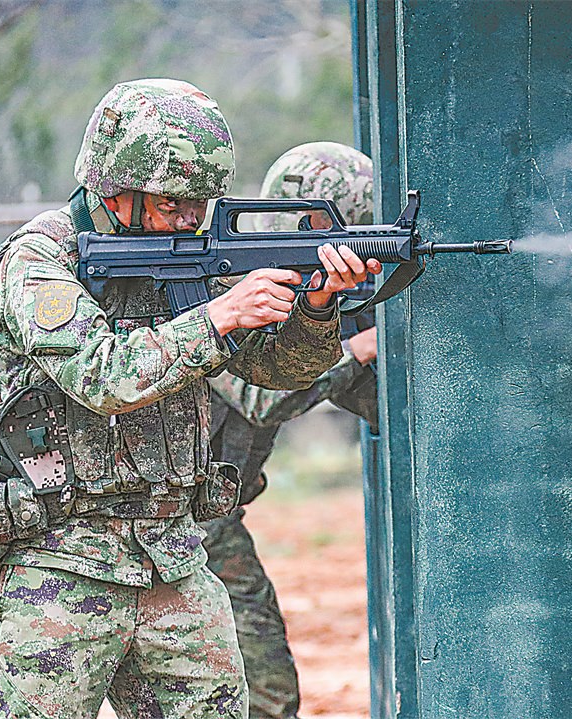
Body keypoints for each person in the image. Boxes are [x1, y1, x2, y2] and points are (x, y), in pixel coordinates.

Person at [0, 82, 379, 719]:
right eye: (172, 203)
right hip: (63, 559)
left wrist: (318, 306)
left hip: (173, 555)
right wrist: (220, 316)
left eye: (200, 204)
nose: (190, 219)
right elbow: (105, 377)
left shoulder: (186, 256)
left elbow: (277, 372)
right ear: (115, 187)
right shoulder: (41, 260)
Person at [201, 142, 380, 719]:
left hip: (209, 522)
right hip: (171, 523)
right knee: (261, 695)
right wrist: (356, 348)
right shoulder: (228, 288)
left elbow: (365, 399)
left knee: (266, 696)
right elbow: (259, 397)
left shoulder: (307, 297)